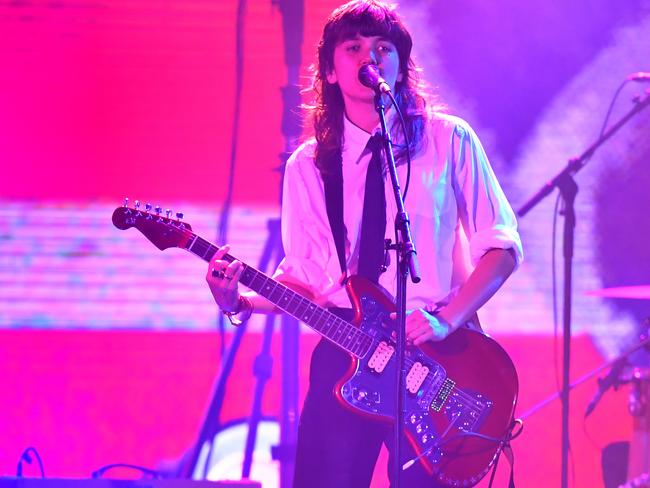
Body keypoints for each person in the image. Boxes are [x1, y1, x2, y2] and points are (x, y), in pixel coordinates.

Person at [206, 1, 523, 486]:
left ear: (400, 64)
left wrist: (447, 320)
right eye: (352, 48)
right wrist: (239, 299)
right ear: (330, 72)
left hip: (436, 355)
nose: (368, 58)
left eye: (382, 48)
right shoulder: (309, 166)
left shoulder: (448, 140)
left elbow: (502, 249)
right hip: (344, 356)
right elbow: (306, 281)